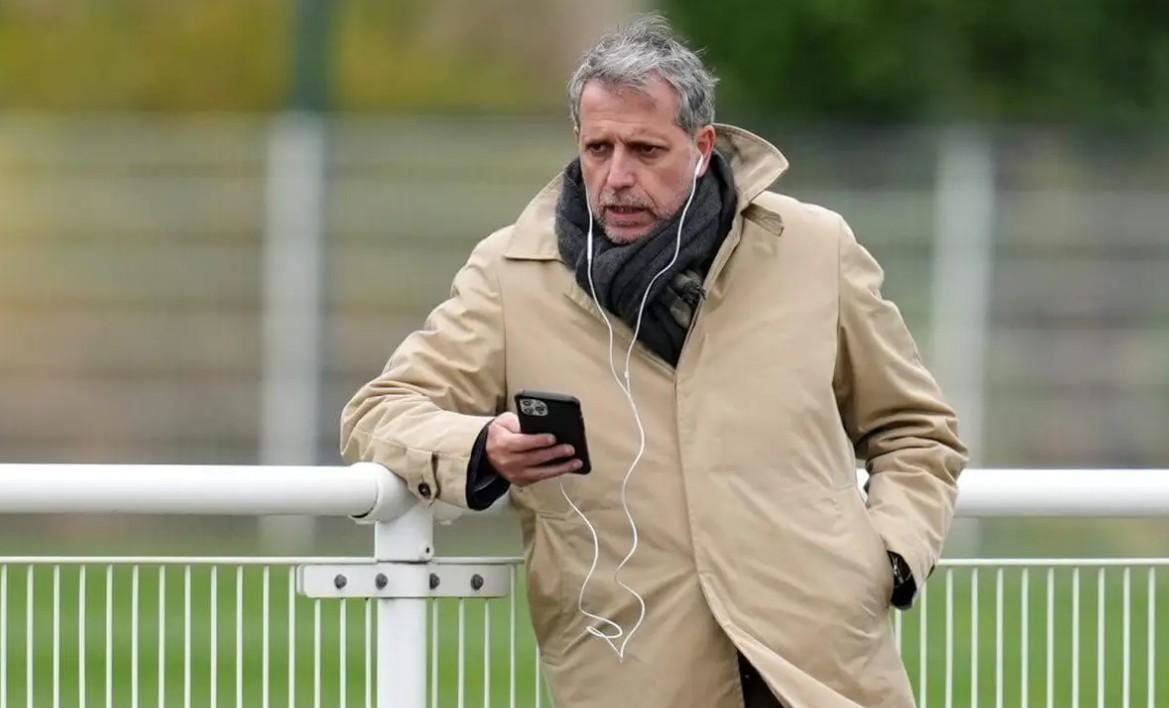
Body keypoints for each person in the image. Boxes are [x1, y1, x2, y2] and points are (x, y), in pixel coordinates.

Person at [341, 14, 967, 708]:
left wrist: (888, 560)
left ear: (701, 147)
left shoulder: (815, 248)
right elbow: (379, 412)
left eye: (645, 149)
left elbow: (915, 431)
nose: (617, 176)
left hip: (821, 669)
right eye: (598, 147)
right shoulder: (510, 271)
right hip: (634, 672)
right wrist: (481, 446)